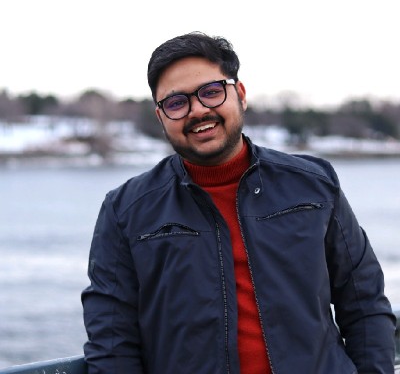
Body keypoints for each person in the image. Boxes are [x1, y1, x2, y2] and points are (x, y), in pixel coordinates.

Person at [81, 32, 396, 373]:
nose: (198, 110)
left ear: (240, 95)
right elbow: (112, 343)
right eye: (175, 103)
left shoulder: (314, 185)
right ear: (161, 118)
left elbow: (364, 302)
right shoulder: (126, 210)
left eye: (211, 92)